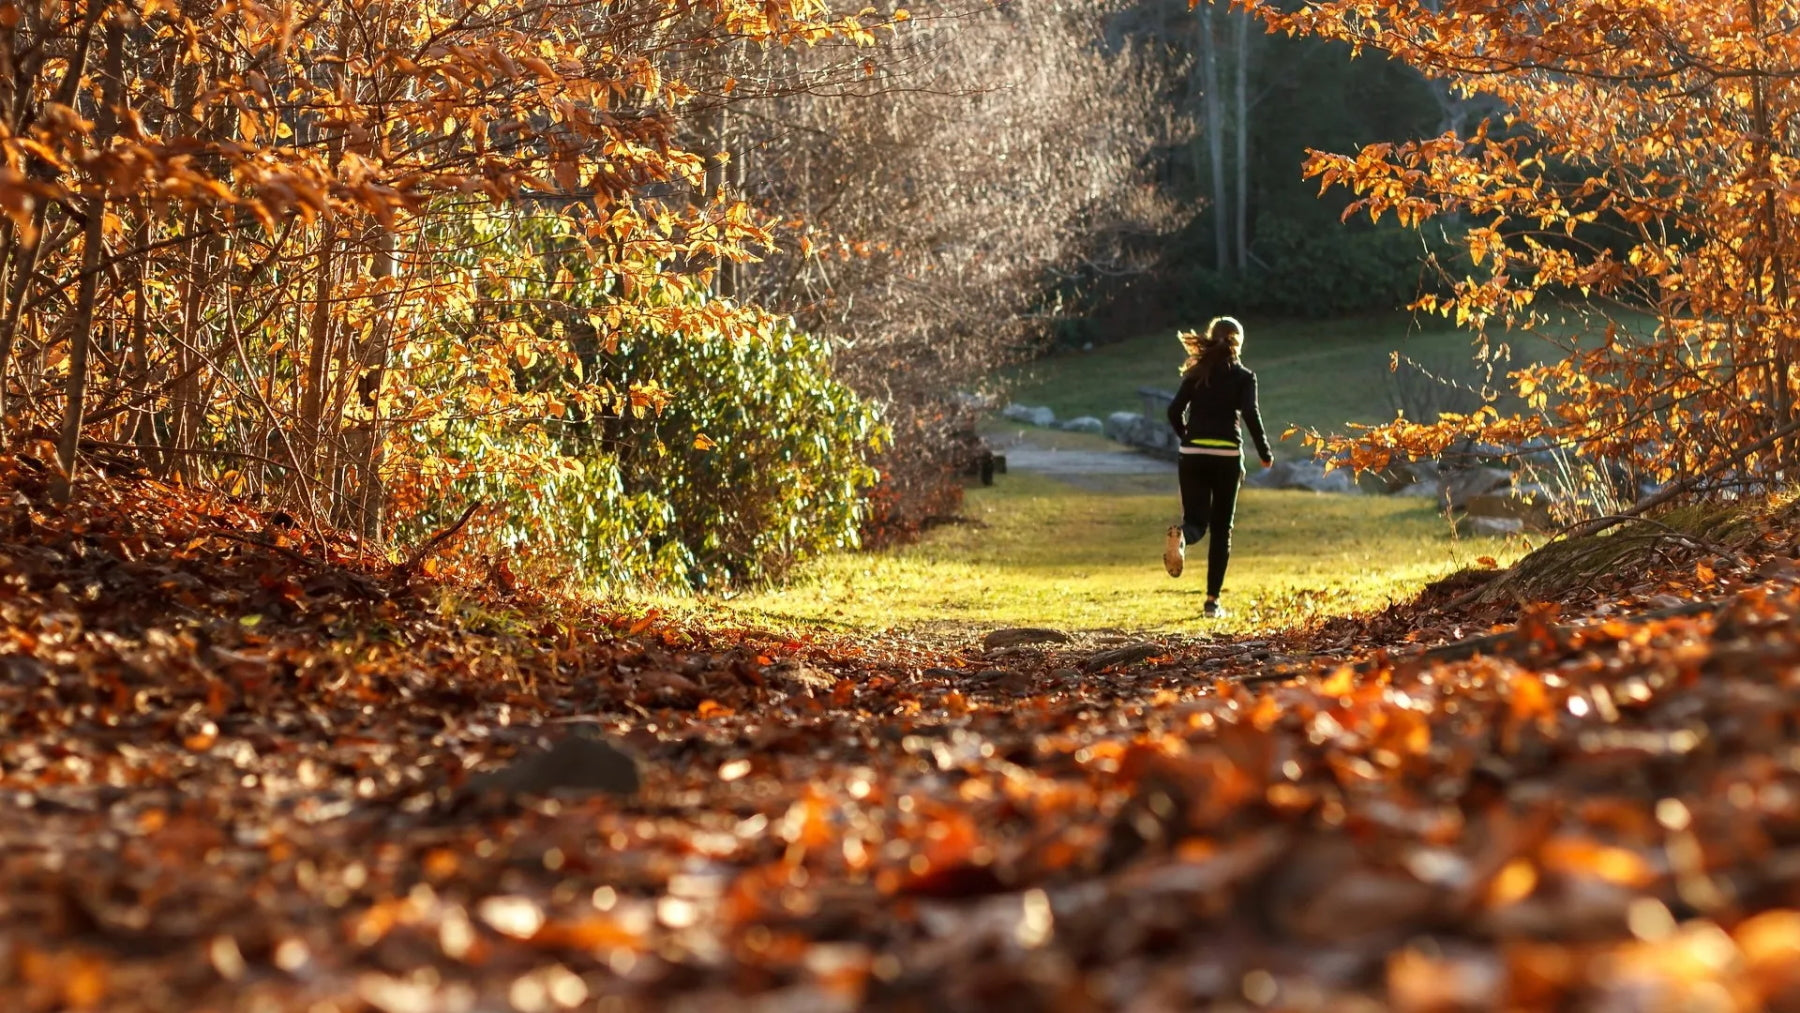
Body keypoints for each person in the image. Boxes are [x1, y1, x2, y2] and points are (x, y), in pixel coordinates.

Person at [1163, 316, 1272, 617]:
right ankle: (1212, 602)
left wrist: (1187, 436)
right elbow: (1250, 414)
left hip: (1193, 454)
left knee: (1196, 521)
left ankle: (1181, 536)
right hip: (1226, 457)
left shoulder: (1197, 373)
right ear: (1239, 342)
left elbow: (1174, 411)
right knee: (1222, 530)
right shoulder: (1244, 377)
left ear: (1212, 338)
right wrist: (1264, 452)